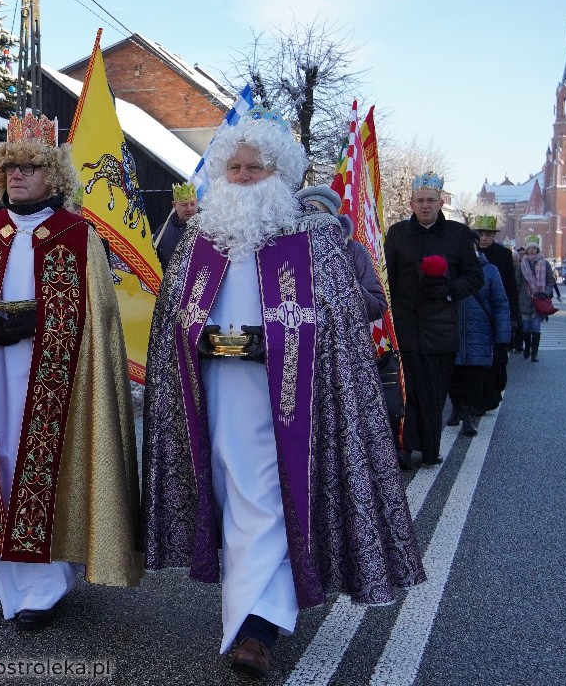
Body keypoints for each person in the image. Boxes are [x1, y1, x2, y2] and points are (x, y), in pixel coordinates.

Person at [142, 108, 424, 677]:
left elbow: (343, 321)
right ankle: (254, 614)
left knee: (269, 502)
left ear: (281, 172)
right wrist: (205, 343)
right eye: (236, 167)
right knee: (232, 497)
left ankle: (255, 629)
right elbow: (171, 317)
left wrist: (277, 345)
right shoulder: (200, 238)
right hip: (218, 399)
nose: (244, 177)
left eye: (256, 167)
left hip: (291, 406)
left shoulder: (313, 239)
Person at [0, 113, 143, 632]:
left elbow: (99, 317)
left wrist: (47, 320)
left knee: (47, 464)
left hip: (55, 378)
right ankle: (6, 581)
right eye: (10, 168)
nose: (17, 176)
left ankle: (46, 584)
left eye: (30, 168)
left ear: (53, 177)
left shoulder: (77, 236)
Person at [384, 173, 484, 469]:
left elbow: (474, 277)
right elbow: (386, 277)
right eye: (420, 201)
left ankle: (430, 449)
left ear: (441, 203)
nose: (425, 206)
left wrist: (450, 290)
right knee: (408, 391)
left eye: (431, 201)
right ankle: (405, 447)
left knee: (434, 393)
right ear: (411, 203)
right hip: (406, 327)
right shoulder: (398, 234)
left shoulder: (459, 235)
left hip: (441, 330)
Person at [294, 184, 388, 321]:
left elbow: (377, 308)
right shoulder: (284, 253)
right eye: (306, 213)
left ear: (332, 220)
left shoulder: (353, 250)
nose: (311, 222)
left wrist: (343, 280)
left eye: (318, 215)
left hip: (343, 338)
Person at [448, 233, 511, 436]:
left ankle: (470, 415)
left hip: (481, 334)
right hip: (453, 333)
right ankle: (457, 407)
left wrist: (502, 337)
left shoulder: (490, 271)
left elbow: (501, 305)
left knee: (476, 377)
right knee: (453, 376)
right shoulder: (450, 271)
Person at [472, 215, 516, 395]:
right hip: (475, 314)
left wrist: (513, 317)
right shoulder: (467, 254)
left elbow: (510, 286)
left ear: (493, 235)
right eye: (480, 234)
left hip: (496, 312)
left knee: (496, 357)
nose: (484, 238)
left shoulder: (503, 255)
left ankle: (491, 394)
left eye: (488, 234)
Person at [518, 236, 555, 362]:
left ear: (537, 250)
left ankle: (534, 353)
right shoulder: (522, 264)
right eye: (530, 248)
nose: (532, 250)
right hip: (525, 301)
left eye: (534, 248)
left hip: (539, 301)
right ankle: (527, 348)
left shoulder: (544, 263)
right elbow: (517, 283)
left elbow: (550, 281)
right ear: (527, 250)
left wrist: (545, 293)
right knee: (526, 328)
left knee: (535, 327)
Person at [153, 181, 199, 270]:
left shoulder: (207, 229)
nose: (189, 209)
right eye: (184, 204)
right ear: (174, 205)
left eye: (192, 204)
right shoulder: (162, 232)